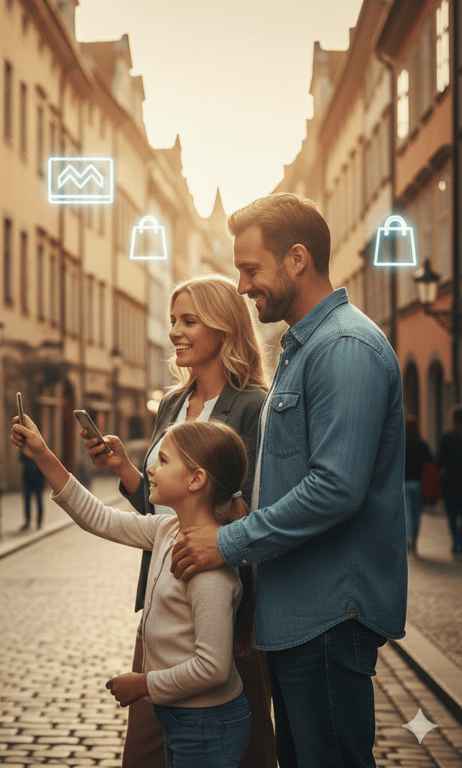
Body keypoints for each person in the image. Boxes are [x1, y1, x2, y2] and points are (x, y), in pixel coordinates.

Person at [170, 193, 408, 768]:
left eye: (251, 270)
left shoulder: (344, 348)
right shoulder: (304, 348)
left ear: (297, 259)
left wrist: (227, 541)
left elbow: (335, 488)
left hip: (328, 615)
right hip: (298, 614)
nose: (244, 285)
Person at [82, 274, 275, 768]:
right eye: (173, 321)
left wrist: (226, 535)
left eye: (189, 320)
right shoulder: (172, 402)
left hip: (222, 606)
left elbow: (259, 507)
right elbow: (161, 511)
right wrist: (125, 469)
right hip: (165, 597)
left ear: (225, 327)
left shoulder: (254, 405)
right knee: (145, 751)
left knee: (238, 749)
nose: (175, 331)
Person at [12, 414, 254, 768]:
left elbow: (213, 668)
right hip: (183, 718)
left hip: (206, 723)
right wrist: (44, 454)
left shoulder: (207, 569)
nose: (150, 469)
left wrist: (143, 685)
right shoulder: (167, 529)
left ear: (196, 479)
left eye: (163, 460)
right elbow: (99, 517)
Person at [404, 417, 433, 554]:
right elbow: (431, 462)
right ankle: (414, 540)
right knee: (416, 514)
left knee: (406, 513)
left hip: (403, 484)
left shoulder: (401, 444)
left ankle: (408, 537)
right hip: (418, 484)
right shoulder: (422, 444)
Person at [438, 405, 462, 558]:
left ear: (454, 420)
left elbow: (440, 461)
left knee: (452, 513)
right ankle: (460, 540)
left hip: (451, 482)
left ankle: (455, 541)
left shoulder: (448, 437)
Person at [20, 452, 45, 530]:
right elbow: (20, 458)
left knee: (39, 500)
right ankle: (27, 521)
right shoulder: (24, 446)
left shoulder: (40, 445)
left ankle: (39, 522)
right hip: (27, 477)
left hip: (39, 478)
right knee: (27, 500)